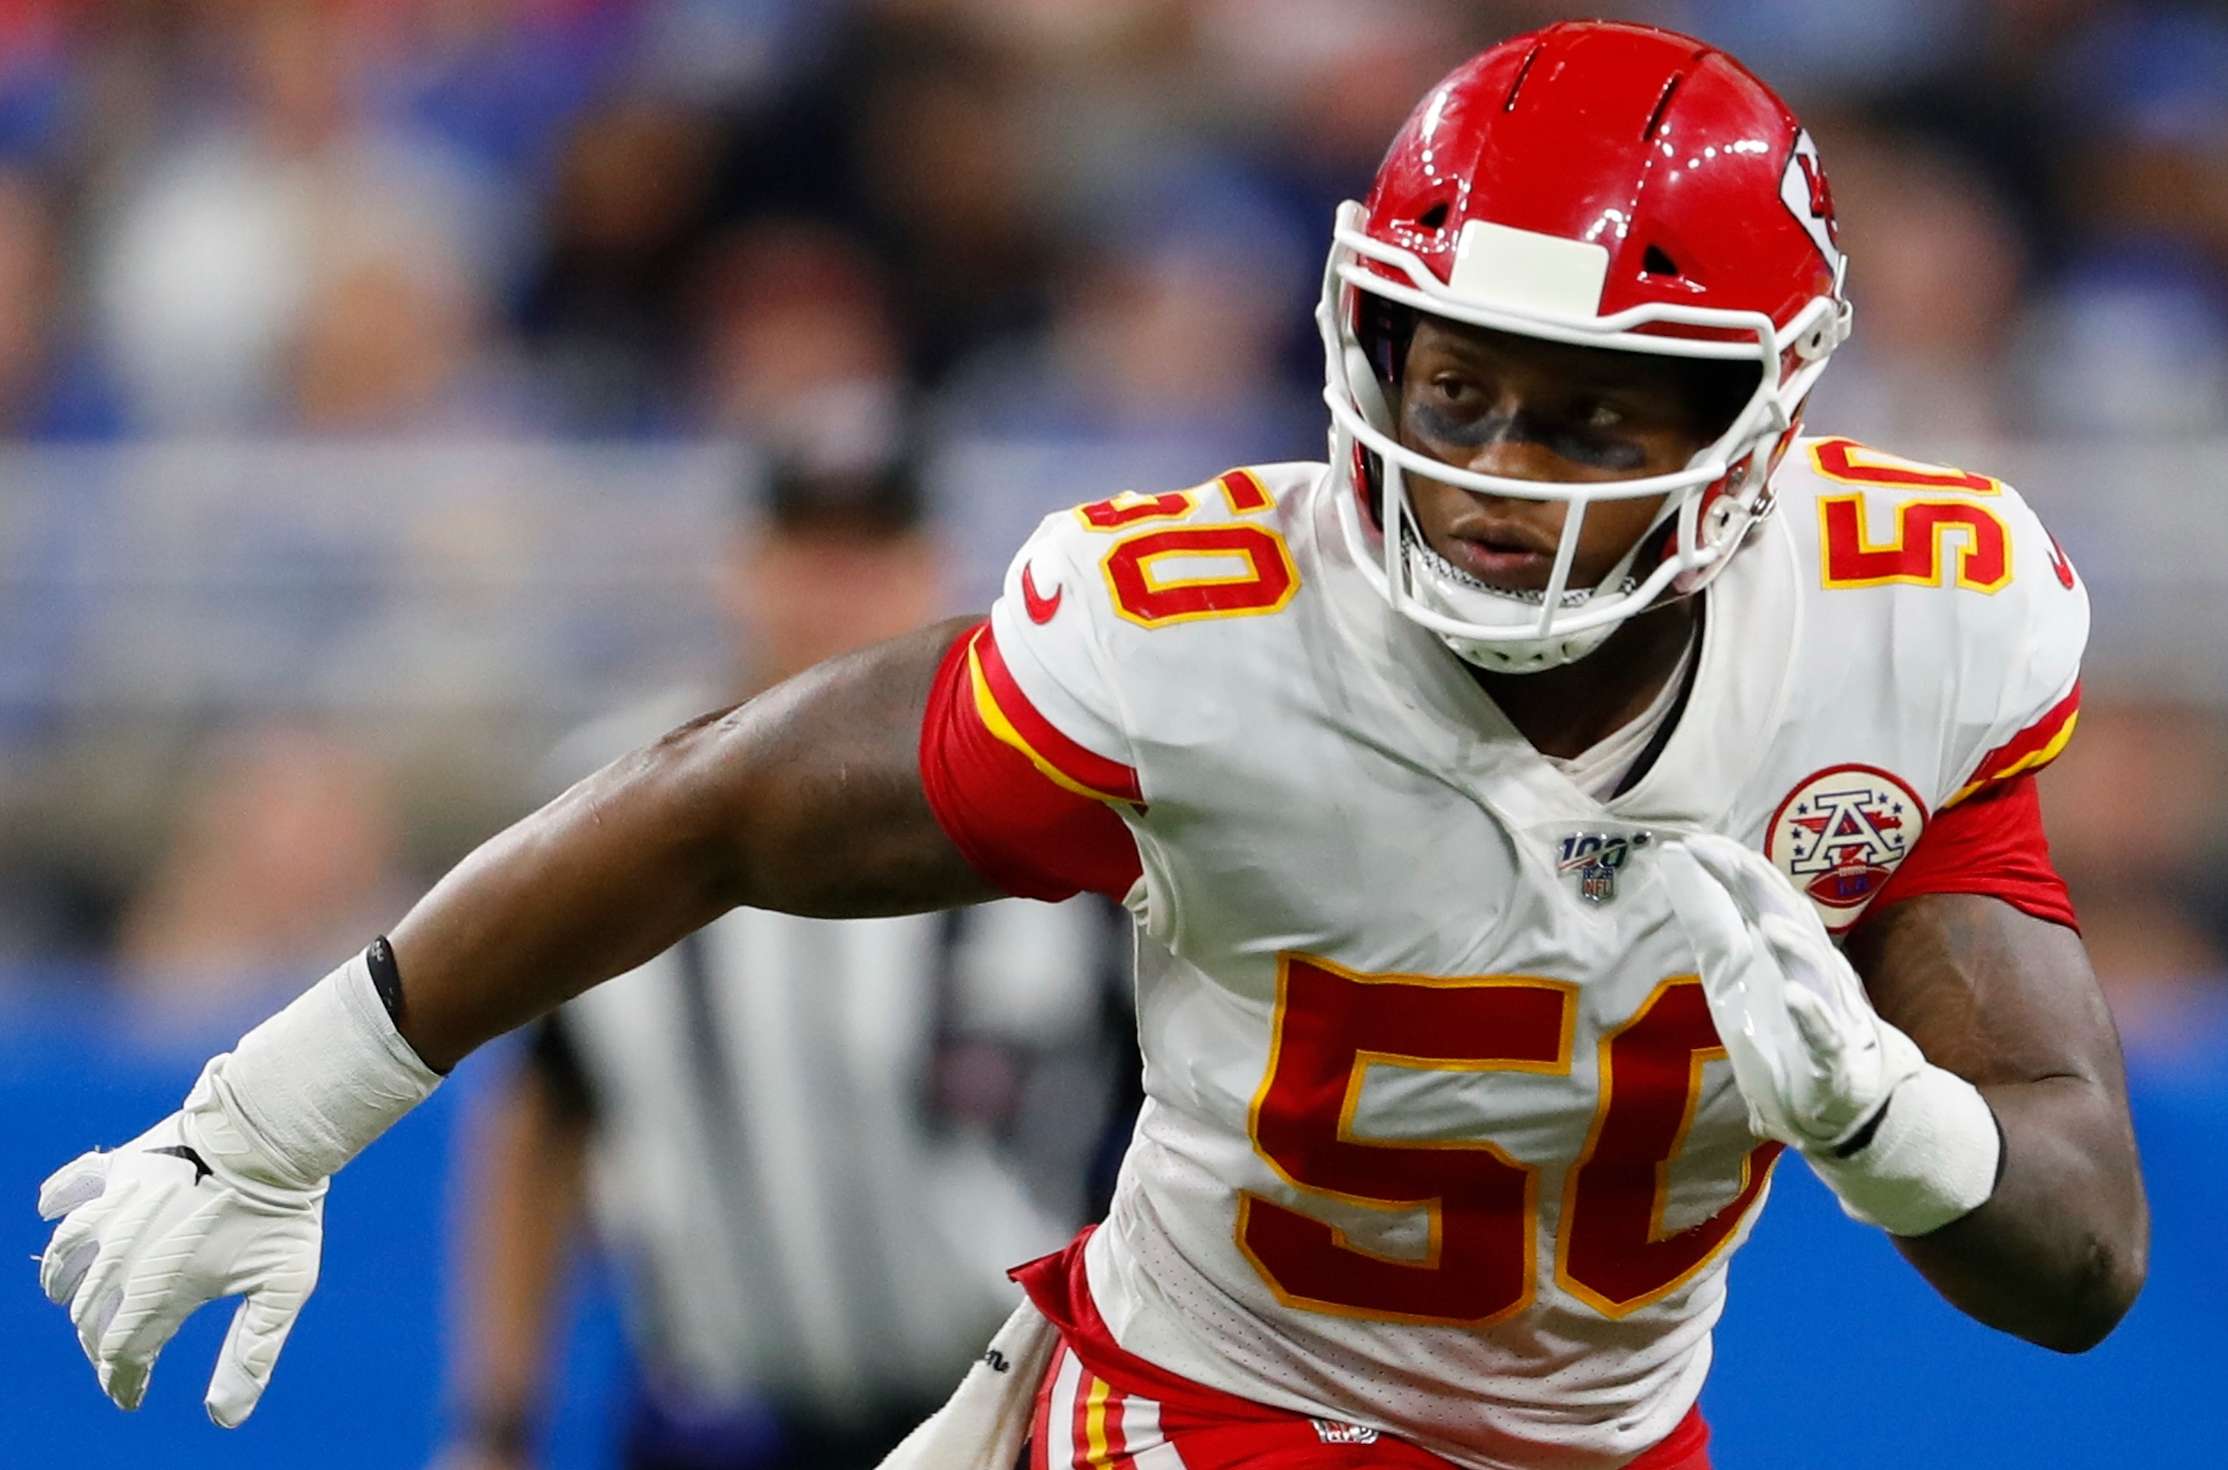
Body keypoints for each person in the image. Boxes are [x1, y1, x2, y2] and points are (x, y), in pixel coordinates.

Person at [35, 22, 2145, 1470]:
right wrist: (277, 1111)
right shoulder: (1208, 638)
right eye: (1454, 390)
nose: (1493, 475)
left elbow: (2081, 1265)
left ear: (1753, 424)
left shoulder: (1902, 629)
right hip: (1198, 1402)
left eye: (1588, 416)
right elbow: (719, 803)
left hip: (1601, 1437)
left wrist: (1897, 1131)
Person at [430, 450, 1132, 1470]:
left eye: (870, 552)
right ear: (743, 568)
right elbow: (543, 1107)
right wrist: (496, 1421)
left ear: (931, 567)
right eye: (809, 553)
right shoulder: (612, 810)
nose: (836, 591)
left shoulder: (1061, 800)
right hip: (722, 1424)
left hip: (1006, 1415)